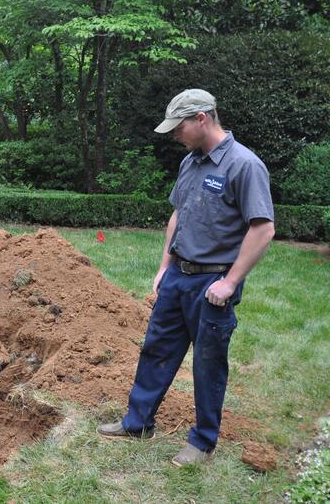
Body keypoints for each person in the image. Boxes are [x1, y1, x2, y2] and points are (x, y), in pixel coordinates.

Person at [97, 89, 275, 466]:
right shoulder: (190, 162)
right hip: (178, 276)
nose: (174, 135)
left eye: (178, 128)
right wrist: (164, 266)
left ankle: (203, 442)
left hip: (212, 284)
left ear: (201, 119)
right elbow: (178, 214)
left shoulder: (244, 165)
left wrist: (230, 282)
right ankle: (137, 423)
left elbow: (263, 229)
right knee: (156, 350)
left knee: (208, 364)